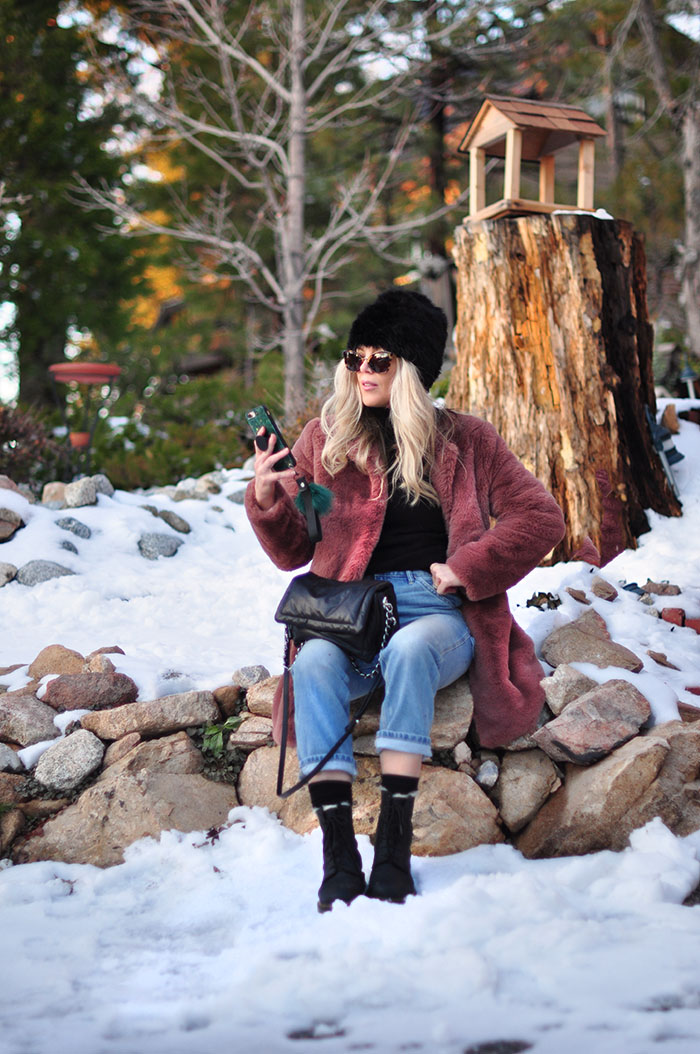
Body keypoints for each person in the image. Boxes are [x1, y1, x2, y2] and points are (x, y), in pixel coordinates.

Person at [245, 289, 565, 912]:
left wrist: (466, 568)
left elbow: (540, 516)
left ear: (411, 370)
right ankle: (339, 853)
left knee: (413, 651)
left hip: (434, 607)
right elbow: (291, 552)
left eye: (379, 360)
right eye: (354, 357)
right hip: (348, 609)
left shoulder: (466, 439)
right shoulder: (324, 438)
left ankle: (393, 845)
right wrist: (266, 496)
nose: (361, 371)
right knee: (311, 665)